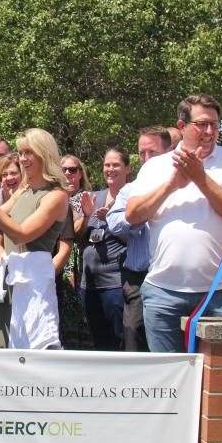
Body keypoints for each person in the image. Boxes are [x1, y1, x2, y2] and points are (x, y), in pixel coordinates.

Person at [126, 94, 222, 353]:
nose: (209, 131)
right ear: (182, 126)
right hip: (162, 293)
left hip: (219, 293)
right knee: (169, 379)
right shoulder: (156, 166)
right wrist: (172, 185)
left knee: (219, 381)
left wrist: (200, 178)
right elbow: (133, 215)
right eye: (202, 124)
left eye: (215, 125)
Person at [0, 128, 69, 349]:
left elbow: (21, 234)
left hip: (33, 284)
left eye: (29, 152)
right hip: (8, 279)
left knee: (35, 348)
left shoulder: (56, 196)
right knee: (1, 345)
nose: (23, 159)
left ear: (44, 154)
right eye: (21, 153)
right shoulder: (22, 191)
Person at [106, 126, 171, 352]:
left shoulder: (183, 188)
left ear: (169, 151)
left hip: (170, 279)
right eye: (142, 153)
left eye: (151, 153)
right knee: (134, 337)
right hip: (137, 279)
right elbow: (113, 221)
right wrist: (137, 217)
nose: (146, 159)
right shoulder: (131, 190)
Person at [79, 148, 130, 351]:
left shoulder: (133, 198)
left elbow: (136, 238)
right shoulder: (94, 197)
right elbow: (78, 236)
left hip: (116, 283)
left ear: (128, 168)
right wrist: (85, 216)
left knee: (118, 340)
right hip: (89, 285)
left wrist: (111, 218)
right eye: (107, 165)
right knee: (98, 341)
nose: (110, 169)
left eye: (115, 164)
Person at [56, 154, 93, 350]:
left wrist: (86, 217)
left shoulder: (84, 198)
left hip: (77, 262)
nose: (68, 173)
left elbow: (78, 232)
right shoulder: (53, 197)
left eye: (73, 169)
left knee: (77, 311)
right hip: (56, 259)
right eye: (64, 169)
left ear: (80, 173)